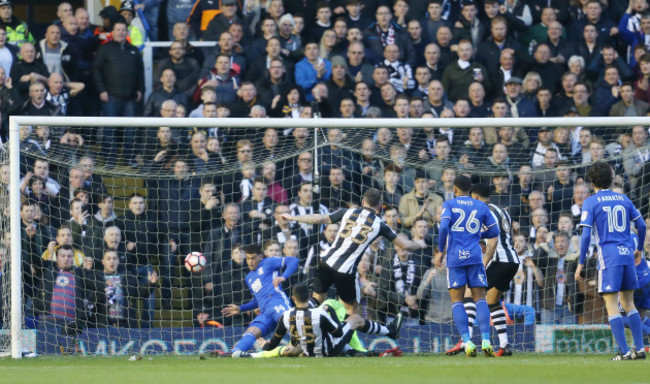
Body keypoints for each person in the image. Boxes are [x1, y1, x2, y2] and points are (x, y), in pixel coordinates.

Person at [281, 187, 426, 327]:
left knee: (317, 299)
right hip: (345, 270)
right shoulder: (380, 225)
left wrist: (293, 217)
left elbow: (319, 218)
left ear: (363, 201)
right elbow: (405, 245)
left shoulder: (347, 212)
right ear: (380, 204)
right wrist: (418, 243)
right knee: (351, 310)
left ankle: (299, 322)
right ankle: (342, 340)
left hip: (326, 262)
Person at [576, 161, 647, 360]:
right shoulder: (623, 198)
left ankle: (623, 352)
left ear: (591, 181)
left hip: (609, 256)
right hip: (627, 253)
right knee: (629, 302)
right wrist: (639, 249)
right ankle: (639, 349)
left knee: (611, 303)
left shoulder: (591, 201)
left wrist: (581, 262)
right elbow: (641, 226)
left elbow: (585, 236)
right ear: (611, 177)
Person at [434, 174, 500, 357]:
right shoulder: (480, 206)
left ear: (454, 189)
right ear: (470, 190)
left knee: (457, 301)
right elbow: (495, 230)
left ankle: (468, 342)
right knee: (480, 298)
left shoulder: (449, 204)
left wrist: (441, 251)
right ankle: (486, 340)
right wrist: (478, 236)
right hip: (474, 256)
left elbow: (444, 227)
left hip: (456, 258)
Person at [241, 283, 367, 358]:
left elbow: (274, 342)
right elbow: (338, 334)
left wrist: (266, 346)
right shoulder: (320, 312)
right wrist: (331, 311)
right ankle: (387, 331)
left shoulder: (285, 316)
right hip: (329, 350)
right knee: (355, 319)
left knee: (293, 346)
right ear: (309, 296)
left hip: (307, 351)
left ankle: (351, 351)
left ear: (293, 298)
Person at [222, 244, 298, 357]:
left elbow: (294, 260)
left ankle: (312, 348)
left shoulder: (268, 262)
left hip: (277, 303)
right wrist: (240, 308)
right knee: (251, 332)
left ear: (260, 257)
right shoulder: (249, 278)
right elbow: (257, 301)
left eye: (253, 258)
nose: (250, 262)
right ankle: (234, 354)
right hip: (265, 312)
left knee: (294, 330)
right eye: (247, 258)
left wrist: (284, 276)